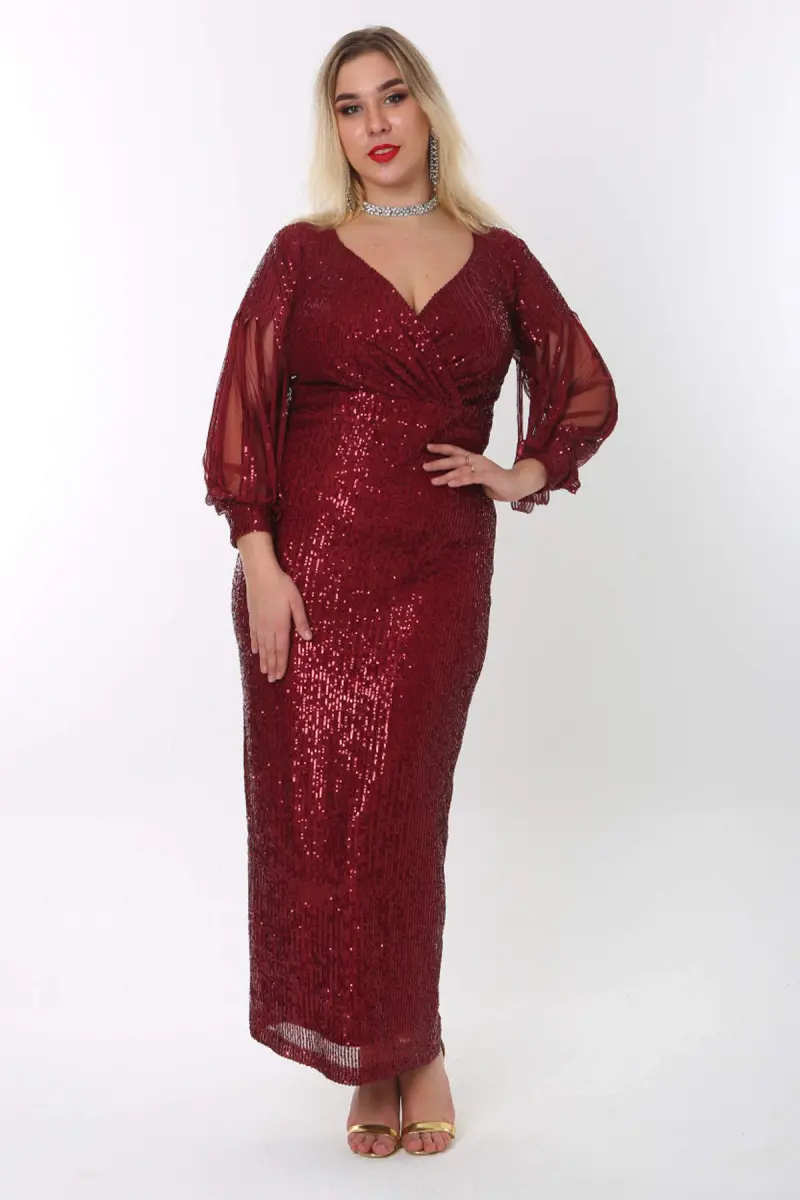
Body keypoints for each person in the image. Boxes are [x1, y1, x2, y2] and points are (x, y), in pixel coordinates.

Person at [202, 25, 618, 1158]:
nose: (375, 124)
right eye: (350, 107)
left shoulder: (499, 259)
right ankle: (366, 1056)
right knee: (322, 818)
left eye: (392, 97)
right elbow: (241, 413)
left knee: (400, 810)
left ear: (426, 107)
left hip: (437, 569)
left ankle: (413, 1045)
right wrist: (259, 562)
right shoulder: (299, 253)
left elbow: (583, 389)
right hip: (308, 576)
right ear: (333, 130)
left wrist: (519, 471)